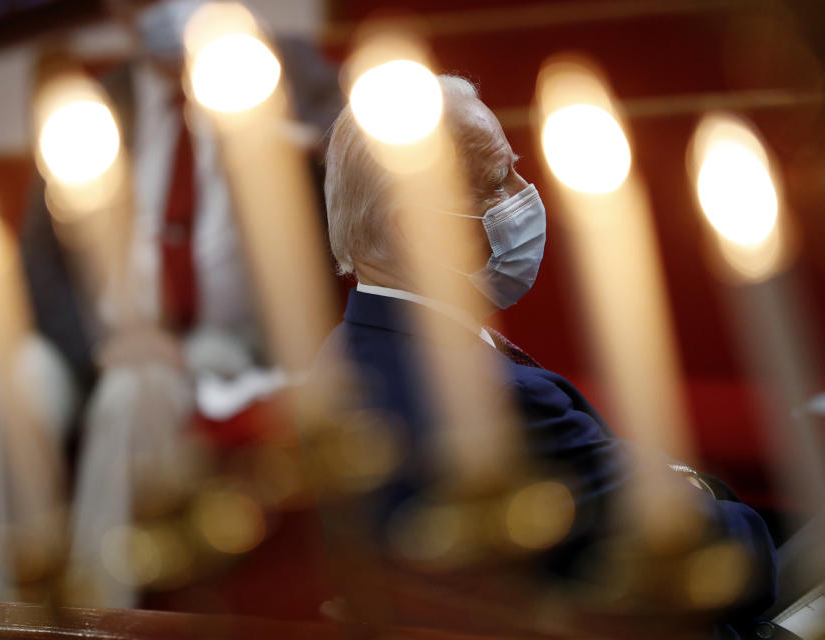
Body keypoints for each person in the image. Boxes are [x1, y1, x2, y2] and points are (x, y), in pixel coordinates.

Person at [310, 74, 780, 636]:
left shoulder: (337, 358)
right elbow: (731, 557)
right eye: (497, 180)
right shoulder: (499, 401)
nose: (524, 194)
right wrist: (697, 488)